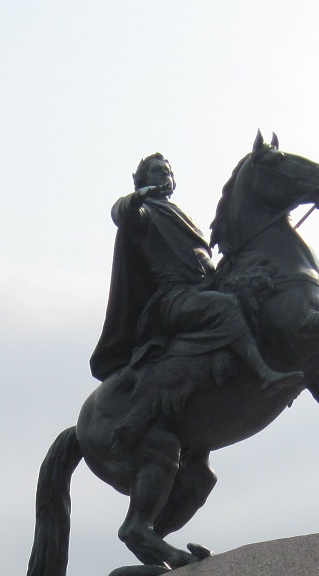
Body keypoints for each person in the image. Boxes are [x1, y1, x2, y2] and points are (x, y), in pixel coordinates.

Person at [91, 153, 304, 445]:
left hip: (202, 286)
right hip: (172, 298)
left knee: (261, 295)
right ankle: (264, 373)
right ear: (143, 180)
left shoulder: (181, 215)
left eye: (167, 171)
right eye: (156, 171)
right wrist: (139, 196)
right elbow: (121, 214)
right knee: (225, 307)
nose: (164, 175)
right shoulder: (145, 212)